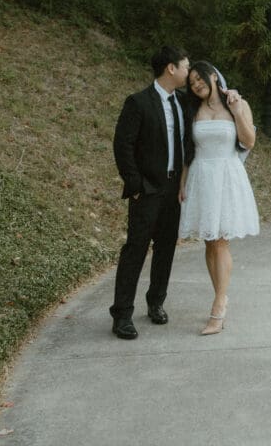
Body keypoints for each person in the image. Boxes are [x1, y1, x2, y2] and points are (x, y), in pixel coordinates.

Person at [109, 45, 190, 340]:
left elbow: (214, 93)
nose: (188, 71)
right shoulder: (138, 102)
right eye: (185, 66)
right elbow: (123, 145)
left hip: (173, 190)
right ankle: (122, 314)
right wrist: (136, 186)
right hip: (148, 189)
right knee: (136, 249)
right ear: (171, 68)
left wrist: (232, 95)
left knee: (166, 248)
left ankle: (156, 302)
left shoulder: (184, 102)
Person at [179, 61, 259, 335]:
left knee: (222, 240)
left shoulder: (237, 103)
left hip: (227, 176)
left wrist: (237, 112)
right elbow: (188, 151)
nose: (196, 85)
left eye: (199, 79)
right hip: (202, 177)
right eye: (191, 83)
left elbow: (249, 141)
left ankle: (217, 309)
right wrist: (183, 184)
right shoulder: (192, 110)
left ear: (213, 76)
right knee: (210, 242)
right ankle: (222, 296)